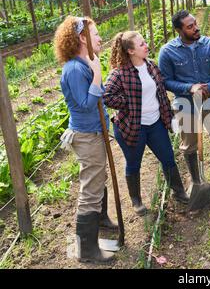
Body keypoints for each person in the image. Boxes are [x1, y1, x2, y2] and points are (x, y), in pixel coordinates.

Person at [103, 31, 189, 216]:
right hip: (132, 126)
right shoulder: (120, 73)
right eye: (141, 44)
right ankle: (136, 201)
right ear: (131, 50)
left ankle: (179, 192)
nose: (146, 45)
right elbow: (107, 96)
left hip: (155, 123)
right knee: (134, 163)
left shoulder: (151, 66)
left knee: (168, 158)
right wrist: (129, 102)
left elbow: (161, 94)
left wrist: (170, 118)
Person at [159, 10, 210, 194]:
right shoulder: (167, 51)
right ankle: (196, 181)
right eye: (190, 27)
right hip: (185, 103)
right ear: (179, 30)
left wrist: (209, 87)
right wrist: (190, 88)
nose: (196, 28)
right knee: (189, 144)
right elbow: (165, 81)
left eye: (195, 23)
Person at [55, 16, 115, 263]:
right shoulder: (75, 69)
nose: (100, 38)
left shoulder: (84, 64)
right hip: (86, 136)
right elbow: (86, 104)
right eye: (96, 33)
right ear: (82, 38)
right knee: (90, 188)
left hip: (95, 132)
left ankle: (100, 221)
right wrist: (98, 73)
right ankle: (87, 249)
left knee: (98, 178)